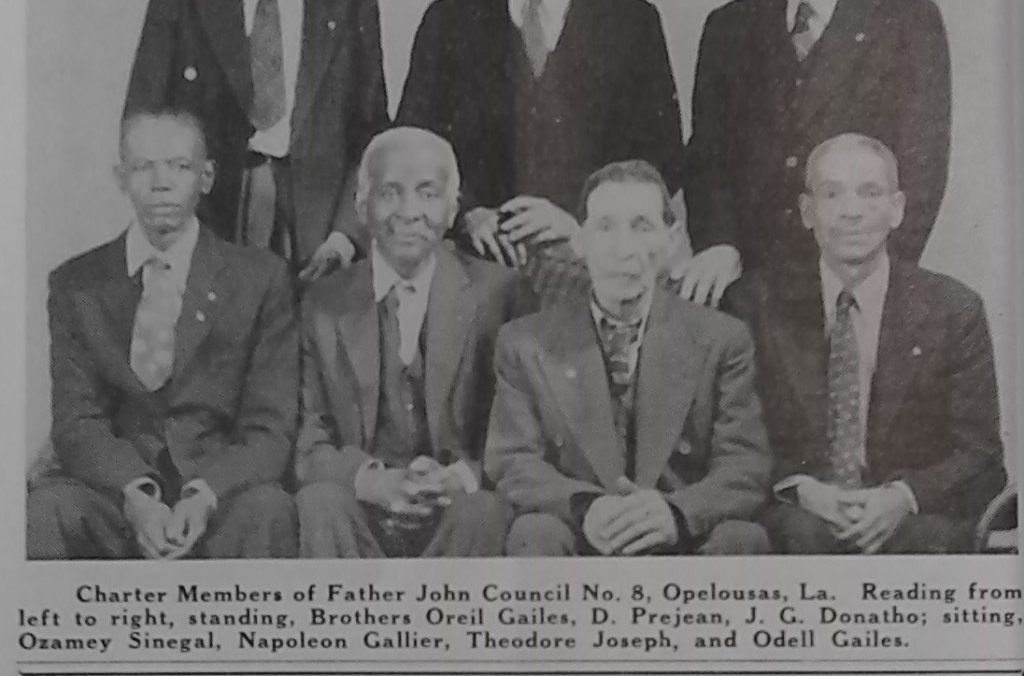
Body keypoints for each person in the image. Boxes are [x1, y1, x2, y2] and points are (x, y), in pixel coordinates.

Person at [27, 108, 298, 559]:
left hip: (219, 494)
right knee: (49, 508)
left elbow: (269, 427)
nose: (161, 183)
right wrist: (135, 494)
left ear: (207, 176)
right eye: (142, 167)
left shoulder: (259, 279)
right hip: (118, 496)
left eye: (180, 166)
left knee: (269, 509)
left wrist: (205, 494)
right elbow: (77, 420)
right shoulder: (77, 285)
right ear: (120, 178)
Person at [397, 0, 683, 282]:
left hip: (595, 261)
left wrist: (581, 224)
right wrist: (468, 214)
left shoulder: (632, 20)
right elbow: (413, 144)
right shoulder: (449, 19)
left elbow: (661, 155)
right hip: (476, 265)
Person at [680, 0, 951, 307]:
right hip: (751, 284)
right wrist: (718, 243)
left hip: (858, 281)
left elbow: (922, 170)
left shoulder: (907, 21)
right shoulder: (729, 25)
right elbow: (708, 157)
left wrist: (872, 278)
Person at [125, 0, 388, 281]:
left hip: (317, 229)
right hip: (209, 213)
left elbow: (371, 130)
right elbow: (145, 113)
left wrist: (346, 235)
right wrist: (169, 216)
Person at [485, 160, 771, 556]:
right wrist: (586, 508)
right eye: (605, 227)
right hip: (583, 531)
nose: (624, 249)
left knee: (743, 538)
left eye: (642, 227)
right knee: (534, 532)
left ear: (671, 240)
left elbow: (744, 464)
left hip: (680, 535)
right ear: (580, 241)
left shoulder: (721, 337)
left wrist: (676, 512)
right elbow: (513, 461)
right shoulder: (524, 341)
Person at [738, 134, 1004, 554]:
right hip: (799, 520)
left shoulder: (954, 310)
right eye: (832, 194)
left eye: (870, 193)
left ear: (896, 209)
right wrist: (800, 488)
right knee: (792, 536)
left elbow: (981, 457)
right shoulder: (754, 303)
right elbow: (736, 441)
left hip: (909, 524)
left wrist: (901, 496)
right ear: (808, 212)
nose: (851, 212)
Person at [295, 127, 533, 557]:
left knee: (483, 510)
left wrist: (460, 476)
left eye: (427, 194)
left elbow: (520, 434)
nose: (409, 212)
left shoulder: (499, 294)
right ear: (361, 206)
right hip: (364, 508)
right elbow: (309, 441)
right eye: (390, 192)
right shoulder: (323, 304)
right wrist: (370, 480)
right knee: (320, 502)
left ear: (452, 208)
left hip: (455, 508)